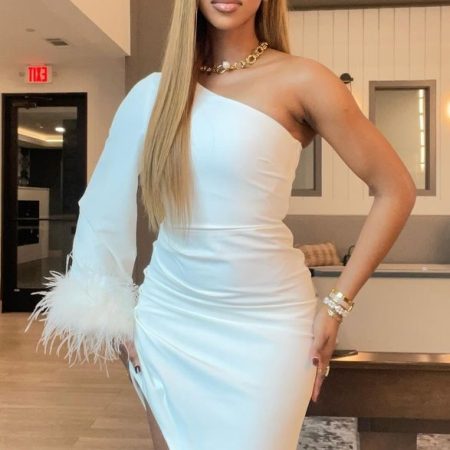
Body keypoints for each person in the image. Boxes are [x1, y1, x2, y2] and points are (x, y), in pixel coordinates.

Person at [25, 0, 416, 449]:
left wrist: (336, 304)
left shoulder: (304, 80)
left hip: (268, 328)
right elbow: (102, 204)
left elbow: (396, 189)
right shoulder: (155, 93)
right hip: (170, 323)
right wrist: (112, 318)